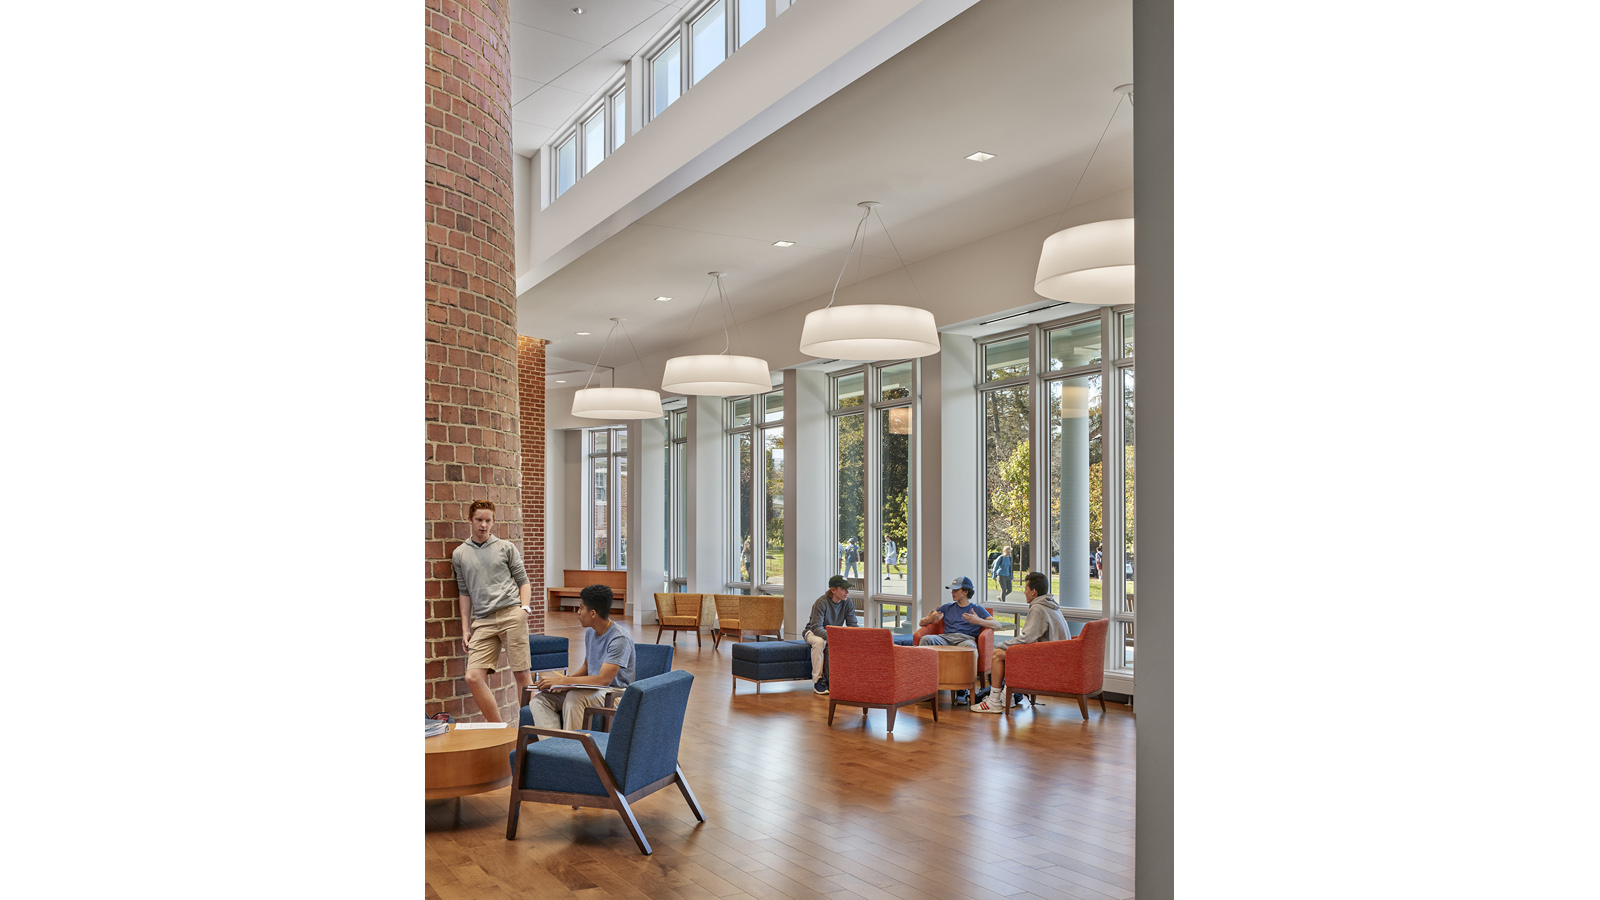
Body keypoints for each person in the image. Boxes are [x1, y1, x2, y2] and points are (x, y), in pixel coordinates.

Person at [452, 500, 534, 723]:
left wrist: (523, 609)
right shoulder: (460, 554)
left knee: (522, 675)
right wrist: (465, 629)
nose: (483, 525)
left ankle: (529, 731)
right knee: (472, 677)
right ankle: (499, 730)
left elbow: (523, 581)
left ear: (493, 521)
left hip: (511, 614)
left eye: (488, 520)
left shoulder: (506, 547)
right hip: (484, 621)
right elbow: (464, 592)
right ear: (469, 520)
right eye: (479, 520)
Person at [524, 584, 637, 732]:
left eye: (581, 607)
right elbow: (586, 666)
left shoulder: (619, 638)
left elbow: (603, 680)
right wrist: (563, 685)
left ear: (593, 613)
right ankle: (554, 748)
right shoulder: (591, 632)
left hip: (615, 694)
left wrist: (563, 680)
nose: (578, 612)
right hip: (591, 690)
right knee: (539, 701)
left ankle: (573, 750)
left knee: (574, 698)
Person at [971, 570, 1070, 713]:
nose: (1024, 592)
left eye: (1025, 589)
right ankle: (1007, 696)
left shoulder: (1038, 609)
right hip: (1057, 656)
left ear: (1033, 592)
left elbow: (1026, 638)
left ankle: (993, 701)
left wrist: (1002, 645)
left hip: (1049, 661)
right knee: (1009, 651)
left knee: (998, 654)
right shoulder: (1051, 606)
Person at [916, 575, 997, 704]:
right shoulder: (947, 607)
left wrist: (978, 620)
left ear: (965, 591)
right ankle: (925, 686)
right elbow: (922, 622)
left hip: (965, 639)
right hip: (946, 638)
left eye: (956, 590)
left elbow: (998, 625)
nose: (952, 593)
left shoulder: (977, 609)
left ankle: (962, 690)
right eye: (952, 590)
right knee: (926, 639)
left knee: (970, 648)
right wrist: (931, 619)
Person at [803, 574, 859, 695]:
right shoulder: (821, 603)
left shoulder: (847, 602)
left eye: (848, 588)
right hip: (812, 632)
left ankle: (845, 680)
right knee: (820, 642)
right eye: (843, 589)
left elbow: (852, 625)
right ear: (833, 590)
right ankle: (818, 681)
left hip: (833, 634)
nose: (847, 592)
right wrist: (835, 638)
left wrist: (858, 638)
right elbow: (816, 627)